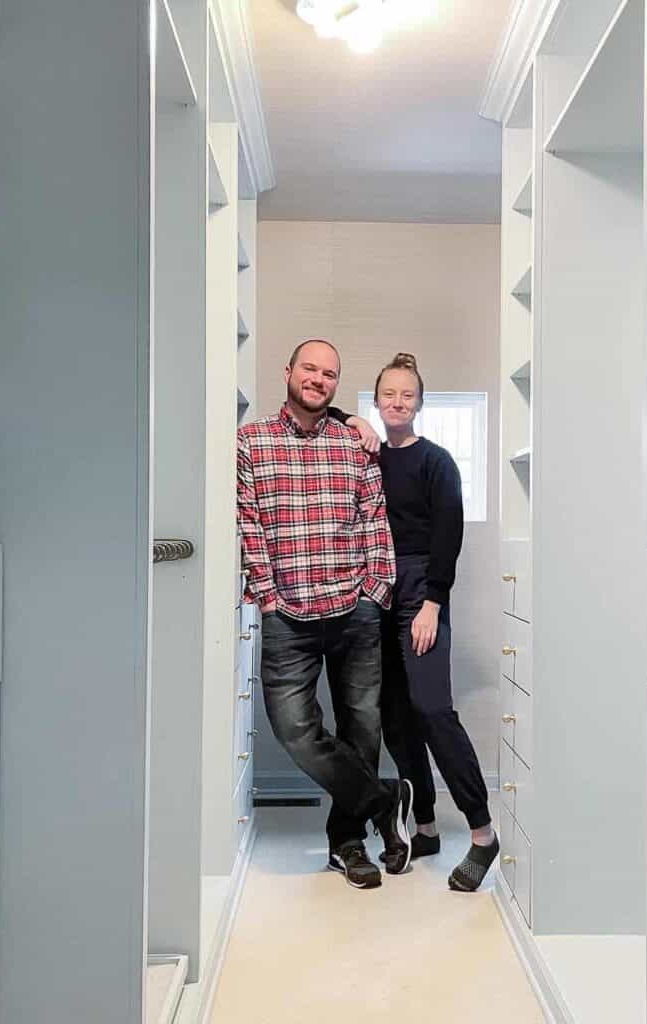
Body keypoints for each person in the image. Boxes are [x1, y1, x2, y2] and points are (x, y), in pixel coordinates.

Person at [236, 338, 412, 890]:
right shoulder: (251, 443)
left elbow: (374, 519)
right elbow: (249, 524)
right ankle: (385, 798)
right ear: (288, 372)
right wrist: (268, 596)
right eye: (309, 369)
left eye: (329, 373)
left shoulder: (355, 444)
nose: (318, 379)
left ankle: (348, 844)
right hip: (288, 613)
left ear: (337, 384)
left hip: (353, 611)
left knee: (362, 727)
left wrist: (375, 591)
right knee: (296, 731)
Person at [329, 353, 498, 892]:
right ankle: (423, 827)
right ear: (375, 402)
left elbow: (450, 536)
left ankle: (482, 835)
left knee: (432, 710)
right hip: (373, 588)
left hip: (419, 590)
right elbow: (315, 412)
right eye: (388, 395)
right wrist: (347, 420)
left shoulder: (436, 461)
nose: (397, 403)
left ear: (419, 404)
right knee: (395, 717)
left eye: (407, 395)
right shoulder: (367, 452)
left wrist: (432, 602)